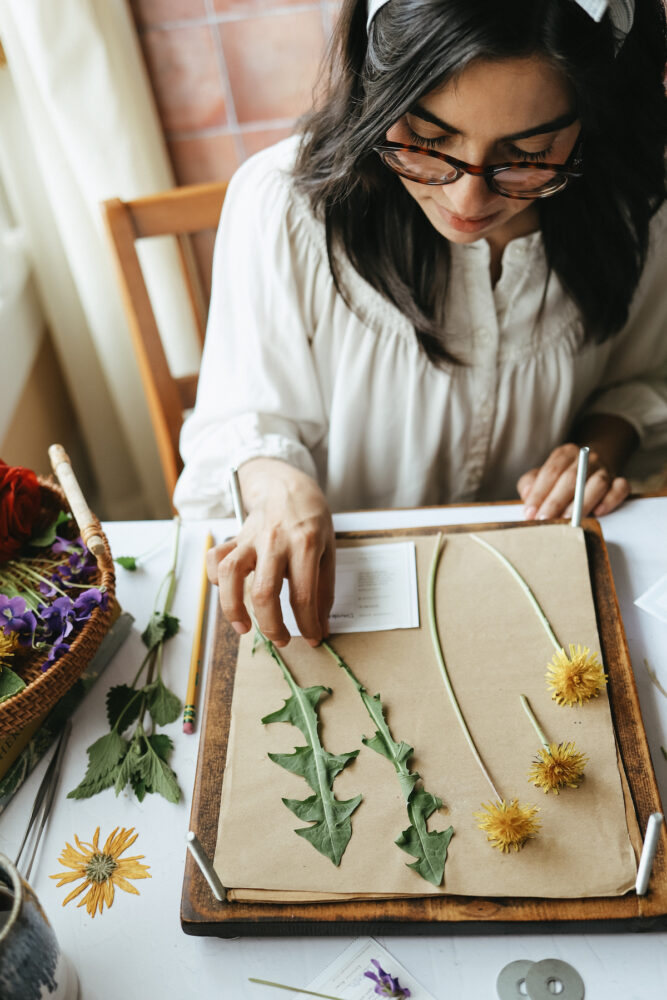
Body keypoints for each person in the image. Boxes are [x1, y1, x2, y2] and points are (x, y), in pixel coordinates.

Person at [174, 0, 667, 649]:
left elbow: (641, 379)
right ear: (375, 91)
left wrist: (597, 450)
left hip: (533, 597)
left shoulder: (637, 211)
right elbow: (239, 424)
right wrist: (275, 483)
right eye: (429, 142)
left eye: (527, 155)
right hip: (340, 605)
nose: (467, 200)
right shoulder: (282, 205)